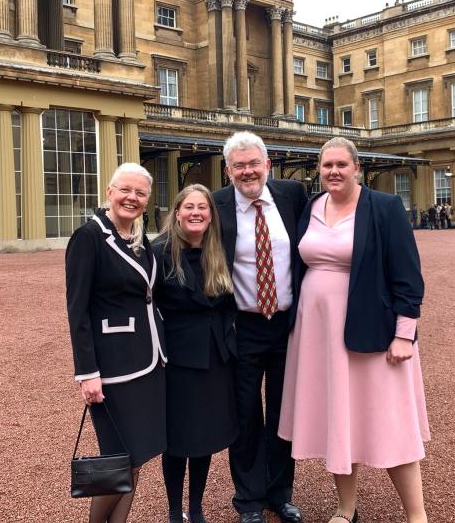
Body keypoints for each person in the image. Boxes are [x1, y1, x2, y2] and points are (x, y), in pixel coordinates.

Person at [279, 137, 430, 523]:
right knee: (338, 418)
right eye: (327, 165)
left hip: (373, 330)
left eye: (341, 165)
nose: (333, 171)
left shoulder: (384, 207)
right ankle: (346, 509)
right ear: (318, 168)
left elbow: (408, 275)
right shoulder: (311, 207)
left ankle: (416, 514)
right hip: (318, 333)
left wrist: (404, 333)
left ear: (357, 167)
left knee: (390, 419)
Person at [213, 131, 308, 523]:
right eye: (239, 165)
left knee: (284, 415)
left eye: (254, 163)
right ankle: (249, 499)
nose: (248, 171)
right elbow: (179, 240)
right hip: (242, 326)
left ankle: (279, 493)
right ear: (228, 170)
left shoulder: (293, 195)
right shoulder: (217, 205)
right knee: (246, 416)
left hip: (288, 326)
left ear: (268, 165)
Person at [65, 162, 167, 523]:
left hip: (148, 361)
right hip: (112, 369)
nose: (132, 198)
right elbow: (77, 311)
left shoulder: (140, 240)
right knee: (118, 458)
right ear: (109, 192)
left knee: (136, 457)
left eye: (140, 193)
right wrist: (87, 372)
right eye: (126, 190)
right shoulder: (89, 237)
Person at [152, 184, 239, 523]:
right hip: (177, 357)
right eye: (189, 207)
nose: (196, 213)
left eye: (202, 207)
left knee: (204, 437)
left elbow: (232, 300)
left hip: (215, 357)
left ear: (210, 214)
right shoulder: (160, 251)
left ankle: (198, 508)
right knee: (177, 440)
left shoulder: (218, 249)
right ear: (177, 212)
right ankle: (175, 510)